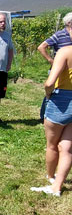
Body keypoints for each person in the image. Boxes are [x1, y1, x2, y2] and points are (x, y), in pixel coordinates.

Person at [31, 25, 72, 197]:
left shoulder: (64, 52)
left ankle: (50, 177)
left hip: (62, 99)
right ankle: (58, 185)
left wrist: (48, 96)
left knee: (52, 144)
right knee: (67, 147)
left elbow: (49, 83)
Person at [37, 13, 72, 120]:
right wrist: (51, 60)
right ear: (69, 23)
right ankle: (45, 116)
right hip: (59, 70)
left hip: (69, 71)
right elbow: (41, 47)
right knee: (52, 93)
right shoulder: (59, 34)